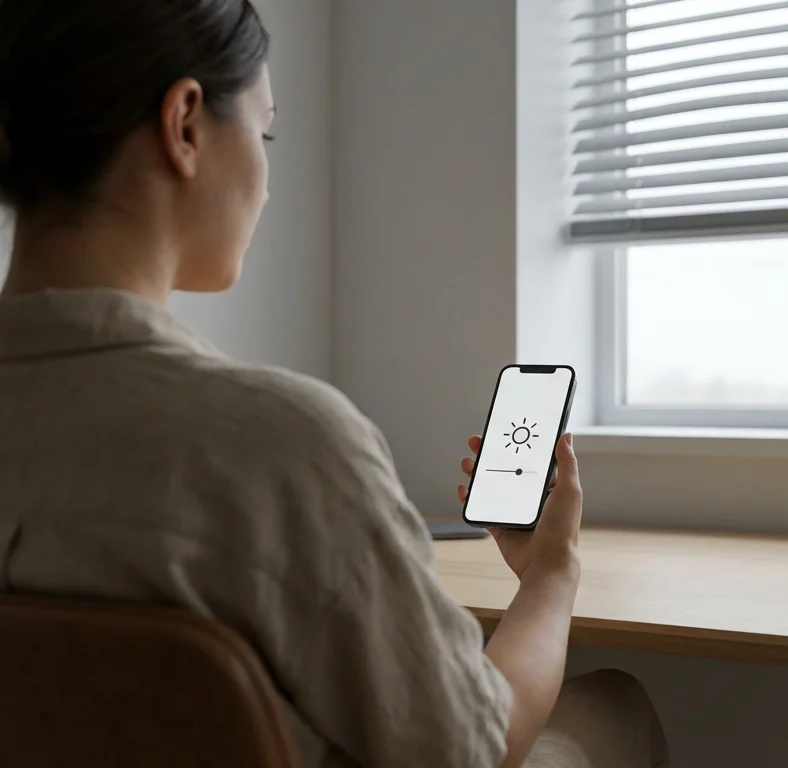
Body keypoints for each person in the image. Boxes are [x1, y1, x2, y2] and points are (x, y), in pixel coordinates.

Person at [0, 1, 668, 767]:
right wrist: (552, 575)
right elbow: (472, 747)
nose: (269, 180)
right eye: (265, 131)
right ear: (185, 124)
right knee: (615, 702)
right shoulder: (277, 444)